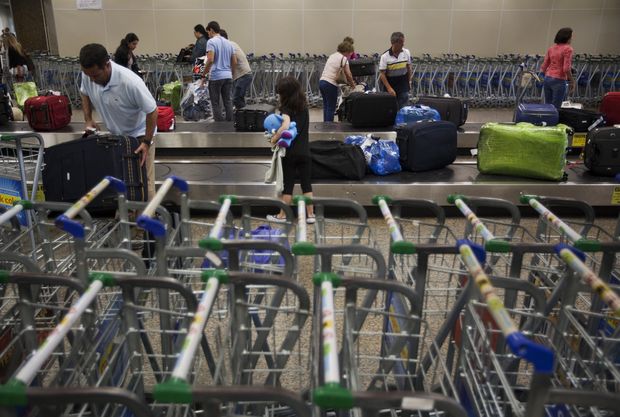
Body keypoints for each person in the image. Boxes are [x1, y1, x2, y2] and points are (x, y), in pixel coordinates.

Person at [79, 43, 158, 199]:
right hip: (116, 135)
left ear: (107, 65)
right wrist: (88, 119)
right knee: (121, 176)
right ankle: (125, 214)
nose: (92, 80)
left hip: (139, 134)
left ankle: (145, 219)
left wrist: (147, 142)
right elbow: (84, 93)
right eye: (88, 76)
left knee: (143, 180)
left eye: (95, 76)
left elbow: (153, 111)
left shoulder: (130, 82)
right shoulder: (88, 74)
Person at [266, 76, 315, 224]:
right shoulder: (304, 106)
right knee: (307, 184)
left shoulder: (286, 108)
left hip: (290, 152)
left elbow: (286, 126)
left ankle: (281, 216)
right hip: (305, 151)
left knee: (288, 185)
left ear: (285, 94)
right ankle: (311, 215)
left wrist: (274, 138)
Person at [201, 21, 236, 121]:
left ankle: (219, 127)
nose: (208, 35)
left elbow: (210, 60)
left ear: (211, 30)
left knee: (215, 102)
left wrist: (203, 75)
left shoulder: (211, 42)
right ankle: (230, 126)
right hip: (228, 76)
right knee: (228, 101)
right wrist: (231, 73)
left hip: (216, 76)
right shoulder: (229, 43)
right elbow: (234, 61)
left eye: (208, 32)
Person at [319, 41, 356, 122]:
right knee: (331, 108)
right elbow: (348, 74)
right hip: (330, 84)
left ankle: (325, 126)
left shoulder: (332, 55)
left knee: (326, 106)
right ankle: (329, 127)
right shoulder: (343, 58)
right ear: (346, 52)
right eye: (350, 54)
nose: (350, 56)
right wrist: (353, 86)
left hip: (322, 82)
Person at [541, 27, 574, 109]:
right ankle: (554, 122)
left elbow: (544, 65)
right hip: (559, 80)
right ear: (567, 37)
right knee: (556, 108)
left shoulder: (551, 48)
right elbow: (566, 68)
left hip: (547, 79)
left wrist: (544, 75)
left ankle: (547, 121)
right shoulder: (568, 49)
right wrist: (572, 81)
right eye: (571, 36)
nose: (571, 39)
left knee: (548, 105)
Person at [220, 29, 252, 109]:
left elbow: (233, 61)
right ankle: (242, 117)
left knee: (236, 99)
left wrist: (230, 74)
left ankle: (244, 118)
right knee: (239, 99)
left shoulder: (228, 45)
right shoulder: (231, 43)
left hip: (243, 75)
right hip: (242, 75)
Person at [379, 32, 412, 109]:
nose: (403, 44)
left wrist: (409, 81)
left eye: (403, 42)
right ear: (394, 43)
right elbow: (382, 74)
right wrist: (389, 88)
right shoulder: (385, 56)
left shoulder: (406, 52)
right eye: (401, 42)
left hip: (403, 82)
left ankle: (401, 120)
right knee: (390, 107)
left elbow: (409, 67)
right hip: (390, 83)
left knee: (403, 104)